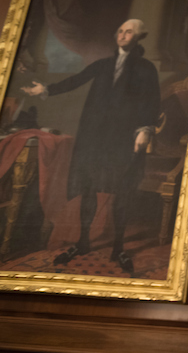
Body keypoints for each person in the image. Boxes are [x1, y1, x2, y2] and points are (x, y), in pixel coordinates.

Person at [21, 19, 160, 273]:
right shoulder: (104, 64)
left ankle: (118, 247)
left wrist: (145, 130)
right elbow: (77, 80)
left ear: (139, 36)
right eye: (120, 30)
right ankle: (83, 241)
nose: (122, 34)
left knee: (122, 192)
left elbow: (152, 101)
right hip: (95, 140)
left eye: (128, 31)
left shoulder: (146, 68)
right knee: (89, 189)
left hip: (124, 140)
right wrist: (46, 89)